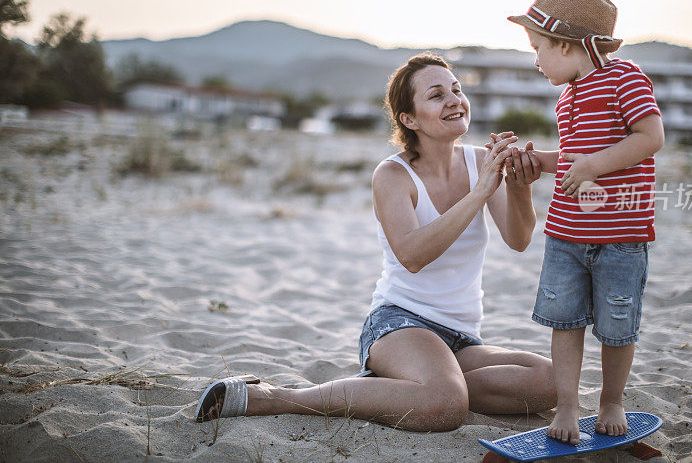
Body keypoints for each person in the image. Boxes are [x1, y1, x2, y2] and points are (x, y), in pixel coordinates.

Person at [195, 53, 557, 432]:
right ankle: (275, 397)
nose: (454, 100)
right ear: (409, 118)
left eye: (456, 89)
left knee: (552, 381)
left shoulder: (480, 162)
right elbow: (413, 255)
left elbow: (518, 239)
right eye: (436, 95)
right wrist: (480, 191)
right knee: (445, 406)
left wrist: (517, 188)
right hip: (400, 323)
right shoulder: (392, 175)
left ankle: (409, 387)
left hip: (462, 339)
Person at [506, 0, 665, 445]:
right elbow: (576, 159)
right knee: (565, 321)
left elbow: (650, 137)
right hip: (565, 235)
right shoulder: (567, 97)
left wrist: (595, 165)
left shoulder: (624, 77)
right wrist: (540, 162)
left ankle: (611, 399)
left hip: (621, 235)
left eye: (539, 47)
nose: (535, 59)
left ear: (568, 44)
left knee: (617, 326)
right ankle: (569, 407)